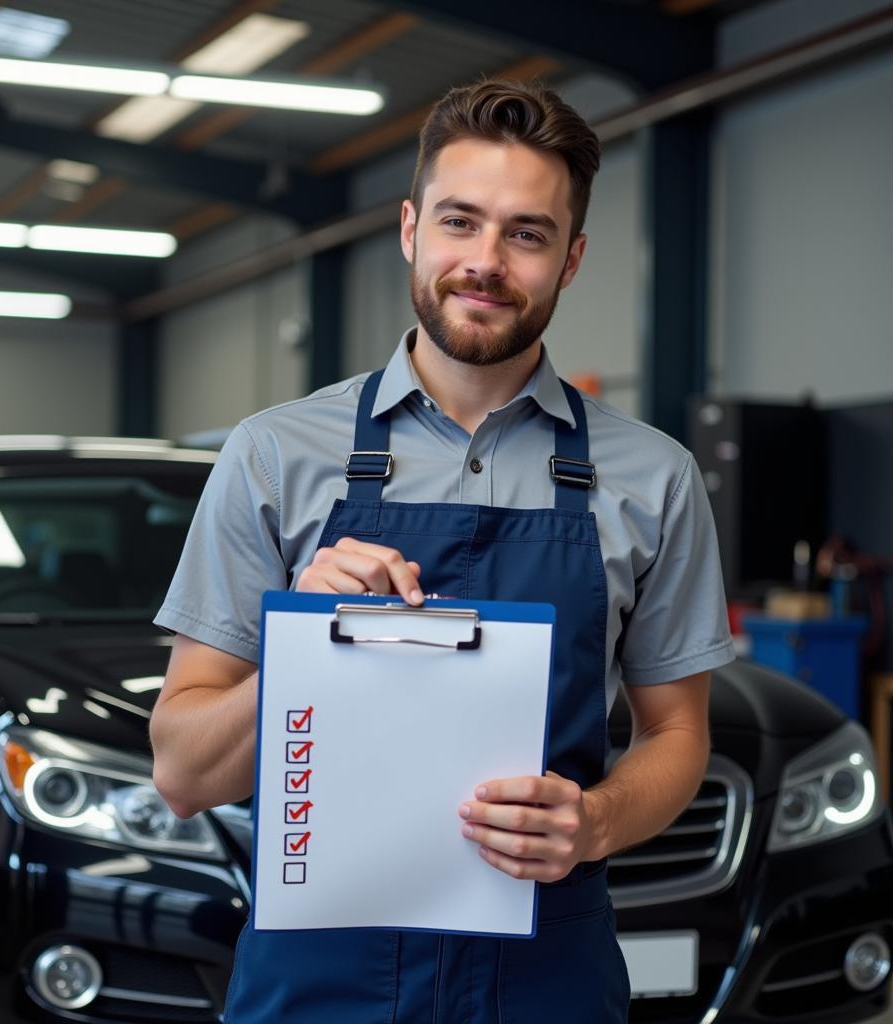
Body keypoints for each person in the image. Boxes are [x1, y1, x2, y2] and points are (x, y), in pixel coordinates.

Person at [150, 77, 735, 1023]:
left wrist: (593, 825)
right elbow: (183, 774)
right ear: (411, 228)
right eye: (461, 222)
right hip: (319, 978)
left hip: (549, 972)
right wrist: (308, 649)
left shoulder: (653, 478)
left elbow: (677, 736)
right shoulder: (273, 456)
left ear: (572, 259)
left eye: (528, 233)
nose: (487, 261)